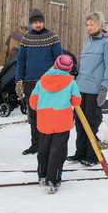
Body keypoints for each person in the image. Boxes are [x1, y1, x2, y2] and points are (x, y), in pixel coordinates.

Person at [30, 54, 81, 194]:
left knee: (43, 149)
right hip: (62, 121)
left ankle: (42, 175)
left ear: (55, 65)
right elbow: (76, 101)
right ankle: (53, 180)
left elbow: (33, 103)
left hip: (44, 120)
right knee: (58, 151)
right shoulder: (70, 82)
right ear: (69, 69)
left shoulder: (41, 81)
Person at [16, 8, 63, 155]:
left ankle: (47, 144)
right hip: (30, 83)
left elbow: (59, 60)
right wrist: (19, 80)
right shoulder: (26, 38)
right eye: (35, 22)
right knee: (33, 115)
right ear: (31, 23)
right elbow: (21, 61)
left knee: (48, 114)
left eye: (40, 22)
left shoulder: (52, 37)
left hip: (48, 82)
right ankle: (35, 145)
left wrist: (57, 79)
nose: (38, 25)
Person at [71, 11, 108, 166]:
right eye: (87, 25)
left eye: (92, 24)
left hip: (94, 89)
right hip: (81, 87)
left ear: (99, 24)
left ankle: (93, 154)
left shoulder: (107, 41)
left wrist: (104, 88)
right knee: (79, 121)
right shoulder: (86, 41)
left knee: (92, 121)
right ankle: (80, 152)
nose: (89, 27)